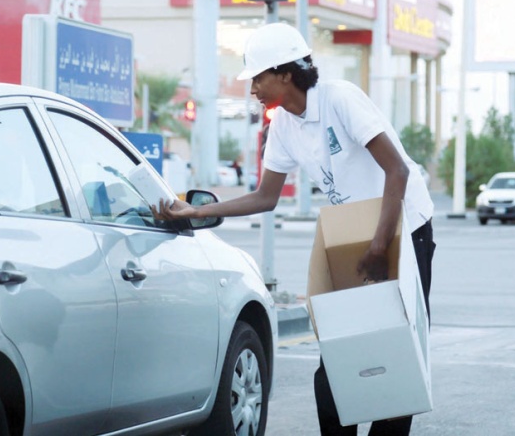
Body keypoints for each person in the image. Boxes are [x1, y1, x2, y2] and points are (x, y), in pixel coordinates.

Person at [152, 22, 435, 436]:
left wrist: (379, 247)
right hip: (354, 235)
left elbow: (398, 171)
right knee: (339, 360)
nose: (253, 89)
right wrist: (193, 212)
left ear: (286, 73)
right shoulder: (282, 124)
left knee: (396, 353)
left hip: (405, 229)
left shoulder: (340, 100)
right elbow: (265, 197)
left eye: (258, 78)